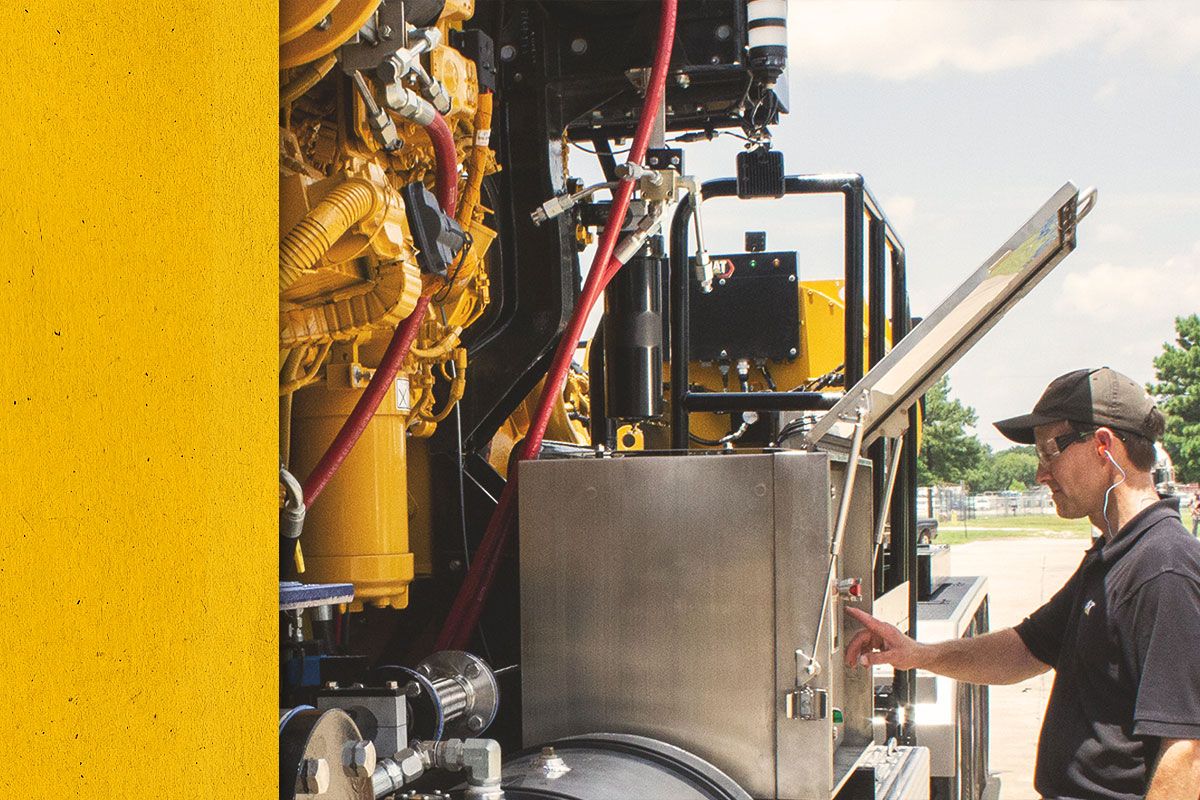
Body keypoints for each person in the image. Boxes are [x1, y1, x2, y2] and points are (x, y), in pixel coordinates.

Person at [846, 367, 1200, 799]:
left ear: (1104, 445)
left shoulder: (1164, 568)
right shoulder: (1115, 556)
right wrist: (918, 654)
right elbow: (1026, 648)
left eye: (1050, 452)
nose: (1041, 473)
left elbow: (1186, 751)